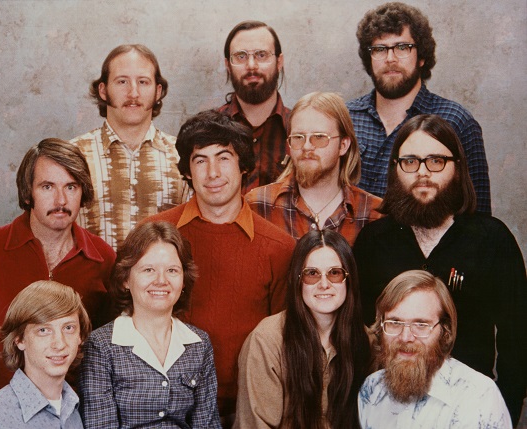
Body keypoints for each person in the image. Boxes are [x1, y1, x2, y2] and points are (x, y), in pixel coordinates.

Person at [353, 115, 526, 425]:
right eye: (410, 161)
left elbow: (518, 340)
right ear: (395, 169)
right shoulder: (372, 242)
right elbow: (357, 335)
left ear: (457, 168)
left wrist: (502, 412)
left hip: (470, 412)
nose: (422, 172)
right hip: (388, 410)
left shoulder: (492, 240)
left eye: (436, 161)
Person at [144, 110, 295, 424]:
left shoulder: (279, 248)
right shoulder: (152, 236)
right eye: (200, 160)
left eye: (224, 158)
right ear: (187, 171)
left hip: (248, 411)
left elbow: (285, 344)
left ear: (243, 167)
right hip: (167, 409)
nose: (212, 173)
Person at [0, 138, 115, 409]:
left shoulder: (103, 259)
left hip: (77, 417)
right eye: (47, 187)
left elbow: (108, 354)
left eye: (71, 187)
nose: (61, 200)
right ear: (28, 193)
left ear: (83, 192)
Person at [347, 2, 491, 214]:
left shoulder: (456, 121)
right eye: (379, 49)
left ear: (422, 56)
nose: (390, 58)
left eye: (402, 47)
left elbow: (478, 215)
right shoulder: (346, 118)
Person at [79, 221, 221, 428]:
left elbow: (207, 424)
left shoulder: (199, 344)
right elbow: (100, 424)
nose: (161, 280)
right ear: (125, 279)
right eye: (148, 270)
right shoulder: (101, 346)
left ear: (183, 280)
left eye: (172, 270)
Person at [234, 229, 370, 429]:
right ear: (298, 280)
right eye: (312, 274)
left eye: (334, 273)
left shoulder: (365, 340)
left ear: (348, 279)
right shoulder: (267, 340)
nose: (324, 284)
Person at [70, 44, 190, 250]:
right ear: (103, 90)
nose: (133, 93)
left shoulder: (183, 155)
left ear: (158, 91)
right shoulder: (73, 155)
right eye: (122, 81)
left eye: (143, 82)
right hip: (90, 273)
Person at [358, 270, 512, 428]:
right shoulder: (372, 389)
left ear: (445, 331)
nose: (405, 337)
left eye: (421, 324)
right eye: (395, 322)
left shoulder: (479, 397)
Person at [246, 92, 382, 245]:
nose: (306, 146)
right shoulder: (257, 205)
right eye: (298, 137)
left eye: (319, 137)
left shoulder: (374, 214)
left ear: (343, 145)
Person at [0, 280, 92, 429]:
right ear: (19, 339)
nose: (60, 344)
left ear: (80, 336)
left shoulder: (78, 411)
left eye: (68, 328)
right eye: (43, 330)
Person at [218, 20, 291, 194]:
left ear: (279, 62)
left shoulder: (300, 131)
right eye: (241, 56)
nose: (251, 65)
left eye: (261, 55)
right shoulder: (208, 129)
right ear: (228, 65)